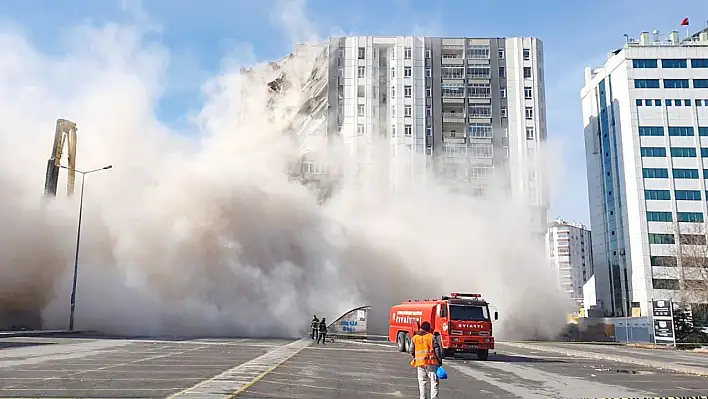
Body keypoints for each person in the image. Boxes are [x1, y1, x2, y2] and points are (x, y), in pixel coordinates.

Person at [409, 321, 443, 399]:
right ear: (429, 329)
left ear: (421, 327)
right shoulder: (431, 337)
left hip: (420, 363)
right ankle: (434, 397)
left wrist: (416, 357)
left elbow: (411, 350)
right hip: (431, 362)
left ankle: (423, 397)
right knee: (434, 381)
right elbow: (437, 350)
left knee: (422, 382)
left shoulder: (415, 338)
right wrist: (439, 361)